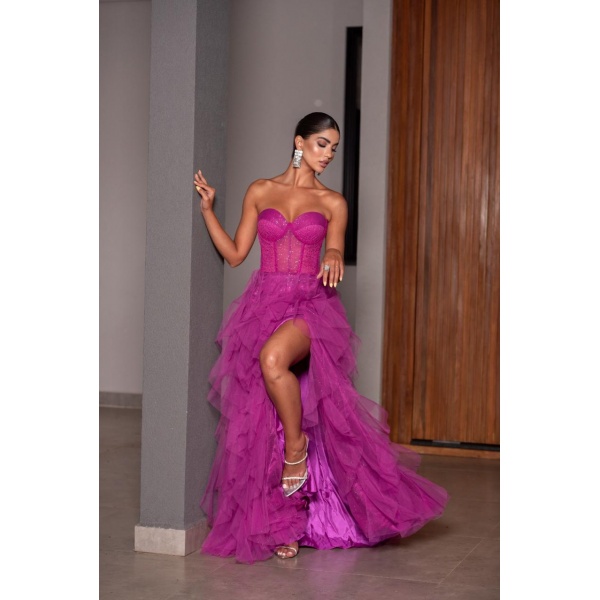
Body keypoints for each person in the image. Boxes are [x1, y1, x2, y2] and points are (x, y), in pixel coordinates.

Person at [194, 112, 448, 564]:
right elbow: (235, 254)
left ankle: (297, 448)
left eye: (333, 147)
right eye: (322, 144)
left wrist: (332, 254)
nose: (329, 154)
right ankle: (284, 525)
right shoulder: (260, 190)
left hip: (311, 307)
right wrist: (208, 211)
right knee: (260, 416)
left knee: (274, 360)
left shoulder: (333, 202)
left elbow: (334, 247)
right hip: (263, 304)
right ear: (299, 142)